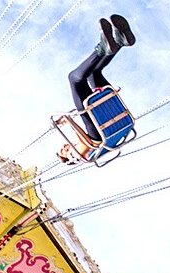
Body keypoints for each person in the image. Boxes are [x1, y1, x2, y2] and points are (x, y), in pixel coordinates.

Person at [57, 15, 136, 164]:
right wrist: (68, 122)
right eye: (64, 151)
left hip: (106, 119)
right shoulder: (79, 156)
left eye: (62, 148)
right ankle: (102, 48)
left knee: (94, 74)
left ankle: (120, 41)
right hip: (97, 131)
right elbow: (88, 143)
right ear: (69, 158)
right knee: (74, 79)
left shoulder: (86, 151)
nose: (65, 147)